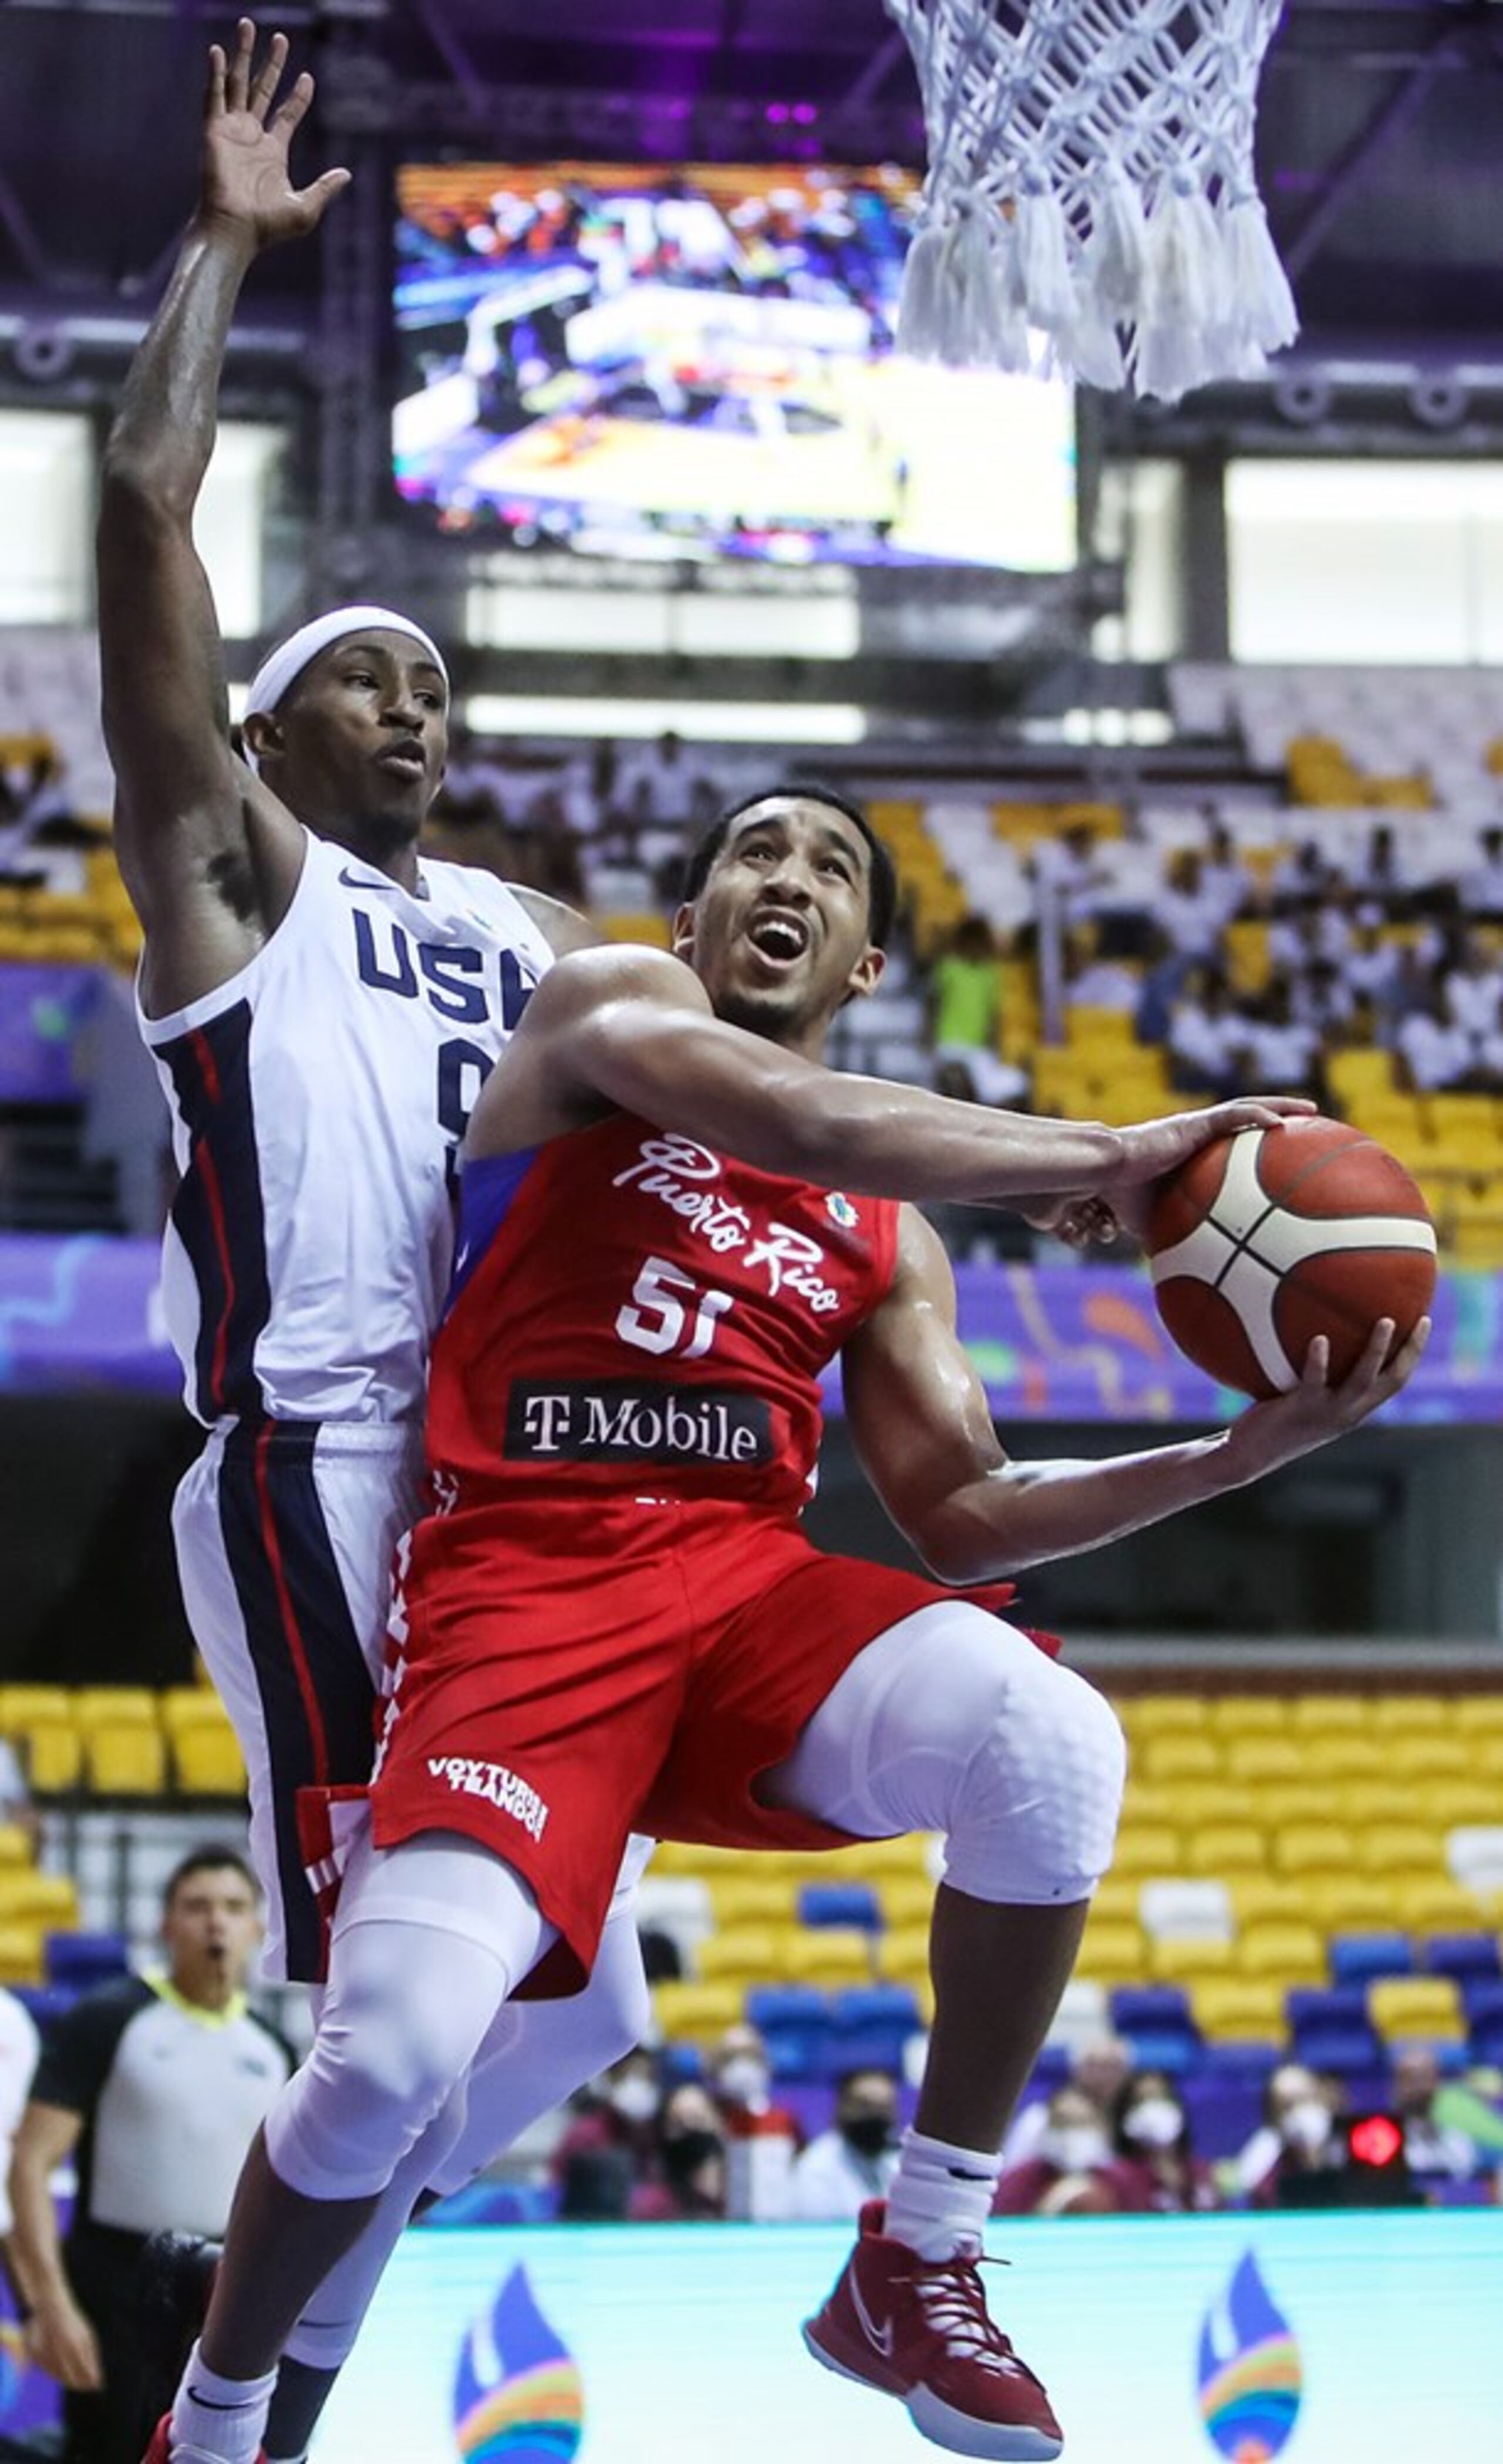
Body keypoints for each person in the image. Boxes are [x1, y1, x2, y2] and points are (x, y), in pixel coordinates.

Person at [144, 781, 1427, 2464]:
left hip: (743, 1587)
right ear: (689, 920)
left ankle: (918, 2251)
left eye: (828, 864)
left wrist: (1231, 1455)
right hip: (526, 1583)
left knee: (1052, 1738)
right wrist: (1107, 1146)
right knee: (389, 2064)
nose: (788, 874)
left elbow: (963, 1512)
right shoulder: (607, 1008)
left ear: (864, 955)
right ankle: (216, 2424)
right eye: (756, 848)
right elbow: (801, 1120)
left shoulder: (890, 1236)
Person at [97, 24, 652, 2461]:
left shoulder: (537, 924)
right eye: (367, 677)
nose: (418, 698)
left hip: (518, 1490)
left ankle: (283, 2369)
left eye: (438, 677)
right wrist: (224, 246)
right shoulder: (237, 877)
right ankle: (251, 2428)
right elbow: (138, 515)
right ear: (273, 731)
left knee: (578, 2001)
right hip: (325, 1452)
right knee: (369, 2000)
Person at [8, 1852, 292, 2464]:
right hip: (117, 2288)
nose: (216, 1923)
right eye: (197, 1907)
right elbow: (29, 2163)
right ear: (166, 1927)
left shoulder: (274, 2049)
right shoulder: (110, 2019)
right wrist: (50, 2307)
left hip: (228, 2293)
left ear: (257, 1930)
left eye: (234, 1908)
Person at [1096, 2069, 1220, 2215]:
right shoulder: (1114, 2177)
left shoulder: (1201, 2171)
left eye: (1162, 2098)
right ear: (1126, 2115)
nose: (1154, 2109)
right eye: (1142, 2101)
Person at [789, 2068, 902, 2219]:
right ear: (841, 2108)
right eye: (865, 2107)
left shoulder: (898, 2162)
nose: (876, 2116)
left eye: (884, 2108)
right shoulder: (816, 2167)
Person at [991, 2085, 1116, 2219]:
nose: (1071, 2134)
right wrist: (1054, 2205)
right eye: (1062, 2123)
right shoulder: (1021, 2179)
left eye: (1081, 2123)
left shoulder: (1116, 2179)